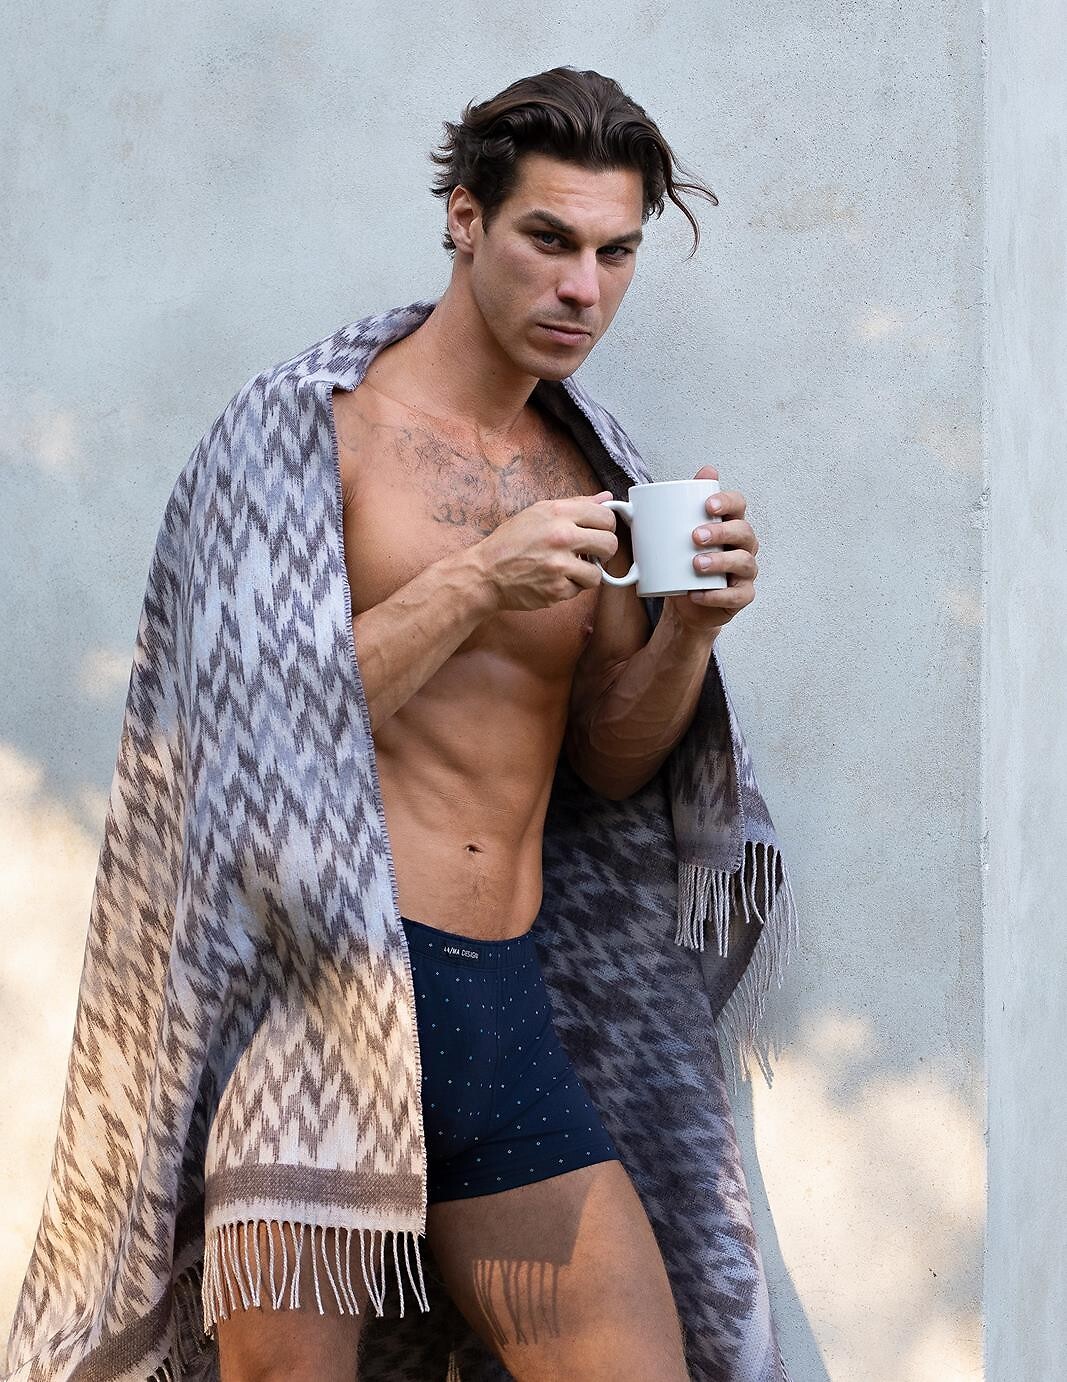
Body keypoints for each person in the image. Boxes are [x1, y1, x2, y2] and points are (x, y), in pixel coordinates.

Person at [214, 66, 760, 1382]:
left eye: (615, 253)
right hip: (324, 1000)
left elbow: (612, 764)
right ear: (465, 217)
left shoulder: (589, 468)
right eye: (549, 240)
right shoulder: (317, 434)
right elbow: (260, 730)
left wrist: (688, 632)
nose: (583, 288)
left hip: (499, 1009)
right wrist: (475, 582)